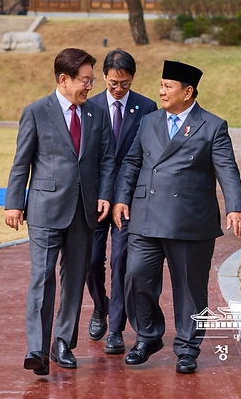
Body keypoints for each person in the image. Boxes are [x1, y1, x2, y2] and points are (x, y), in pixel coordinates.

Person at [113, 60, 241, 375]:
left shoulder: (212, 125)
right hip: (146, 215)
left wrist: (236, 206)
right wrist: (121, 198)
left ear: (187, 92)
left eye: (168, 86)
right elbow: (132, 162)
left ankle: (187, 348)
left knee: (189, 289)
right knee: (135, 277)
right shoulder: (148, 121)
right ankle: (148, 336)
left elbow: (227, 168)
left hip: (189, 219)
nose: (161, 91)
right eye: (161, 85)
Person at [4, 48, 115, 376]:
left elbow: (107, 160)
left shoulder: (97, 114)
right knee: (42, 275)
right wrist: (14, 203)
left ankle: (62, 342)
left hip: (84, 210)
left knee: (74, 278)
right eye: (85, 80)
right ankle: (37, 348)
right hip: (45, 208)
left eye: (92, 80)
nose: (89, 87)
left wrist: (105, 195)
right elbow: (21, 162)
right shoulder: (36, 112)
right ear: (64, 79)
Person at [85, 49, 158, 355]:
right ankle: (99, 306)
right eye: (113, 83)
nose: (118, 89)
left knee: (121, 261)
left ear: (133, 78)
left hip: (129, 199)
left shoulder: (147, 107)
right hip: (95, 198)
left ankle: (116, 329)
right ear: (104, 77)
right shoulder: (90, 106)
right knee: (90, 260)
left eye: (125, 83)